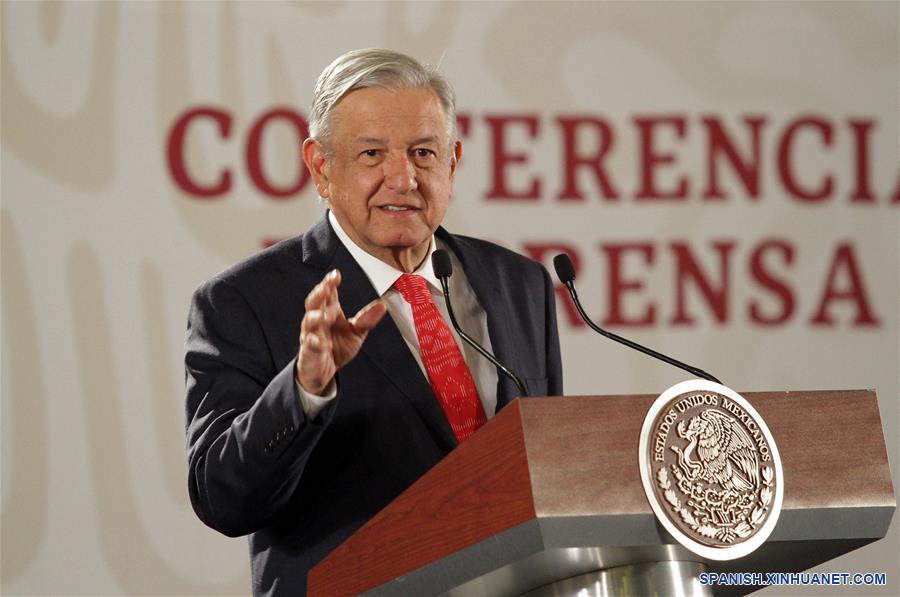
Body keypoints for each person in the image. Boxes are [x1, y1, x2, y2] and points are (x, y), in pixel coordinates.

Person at [184, 48, 563, 596]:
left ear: (453, 162)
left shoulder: (520, 284)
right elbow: (223, 498)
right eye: (371, 154)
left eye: (423, 152)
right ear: (321, 167)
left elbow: (546, 474)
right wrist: (303, 390)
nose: (403, 178)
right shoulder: (243, 301)